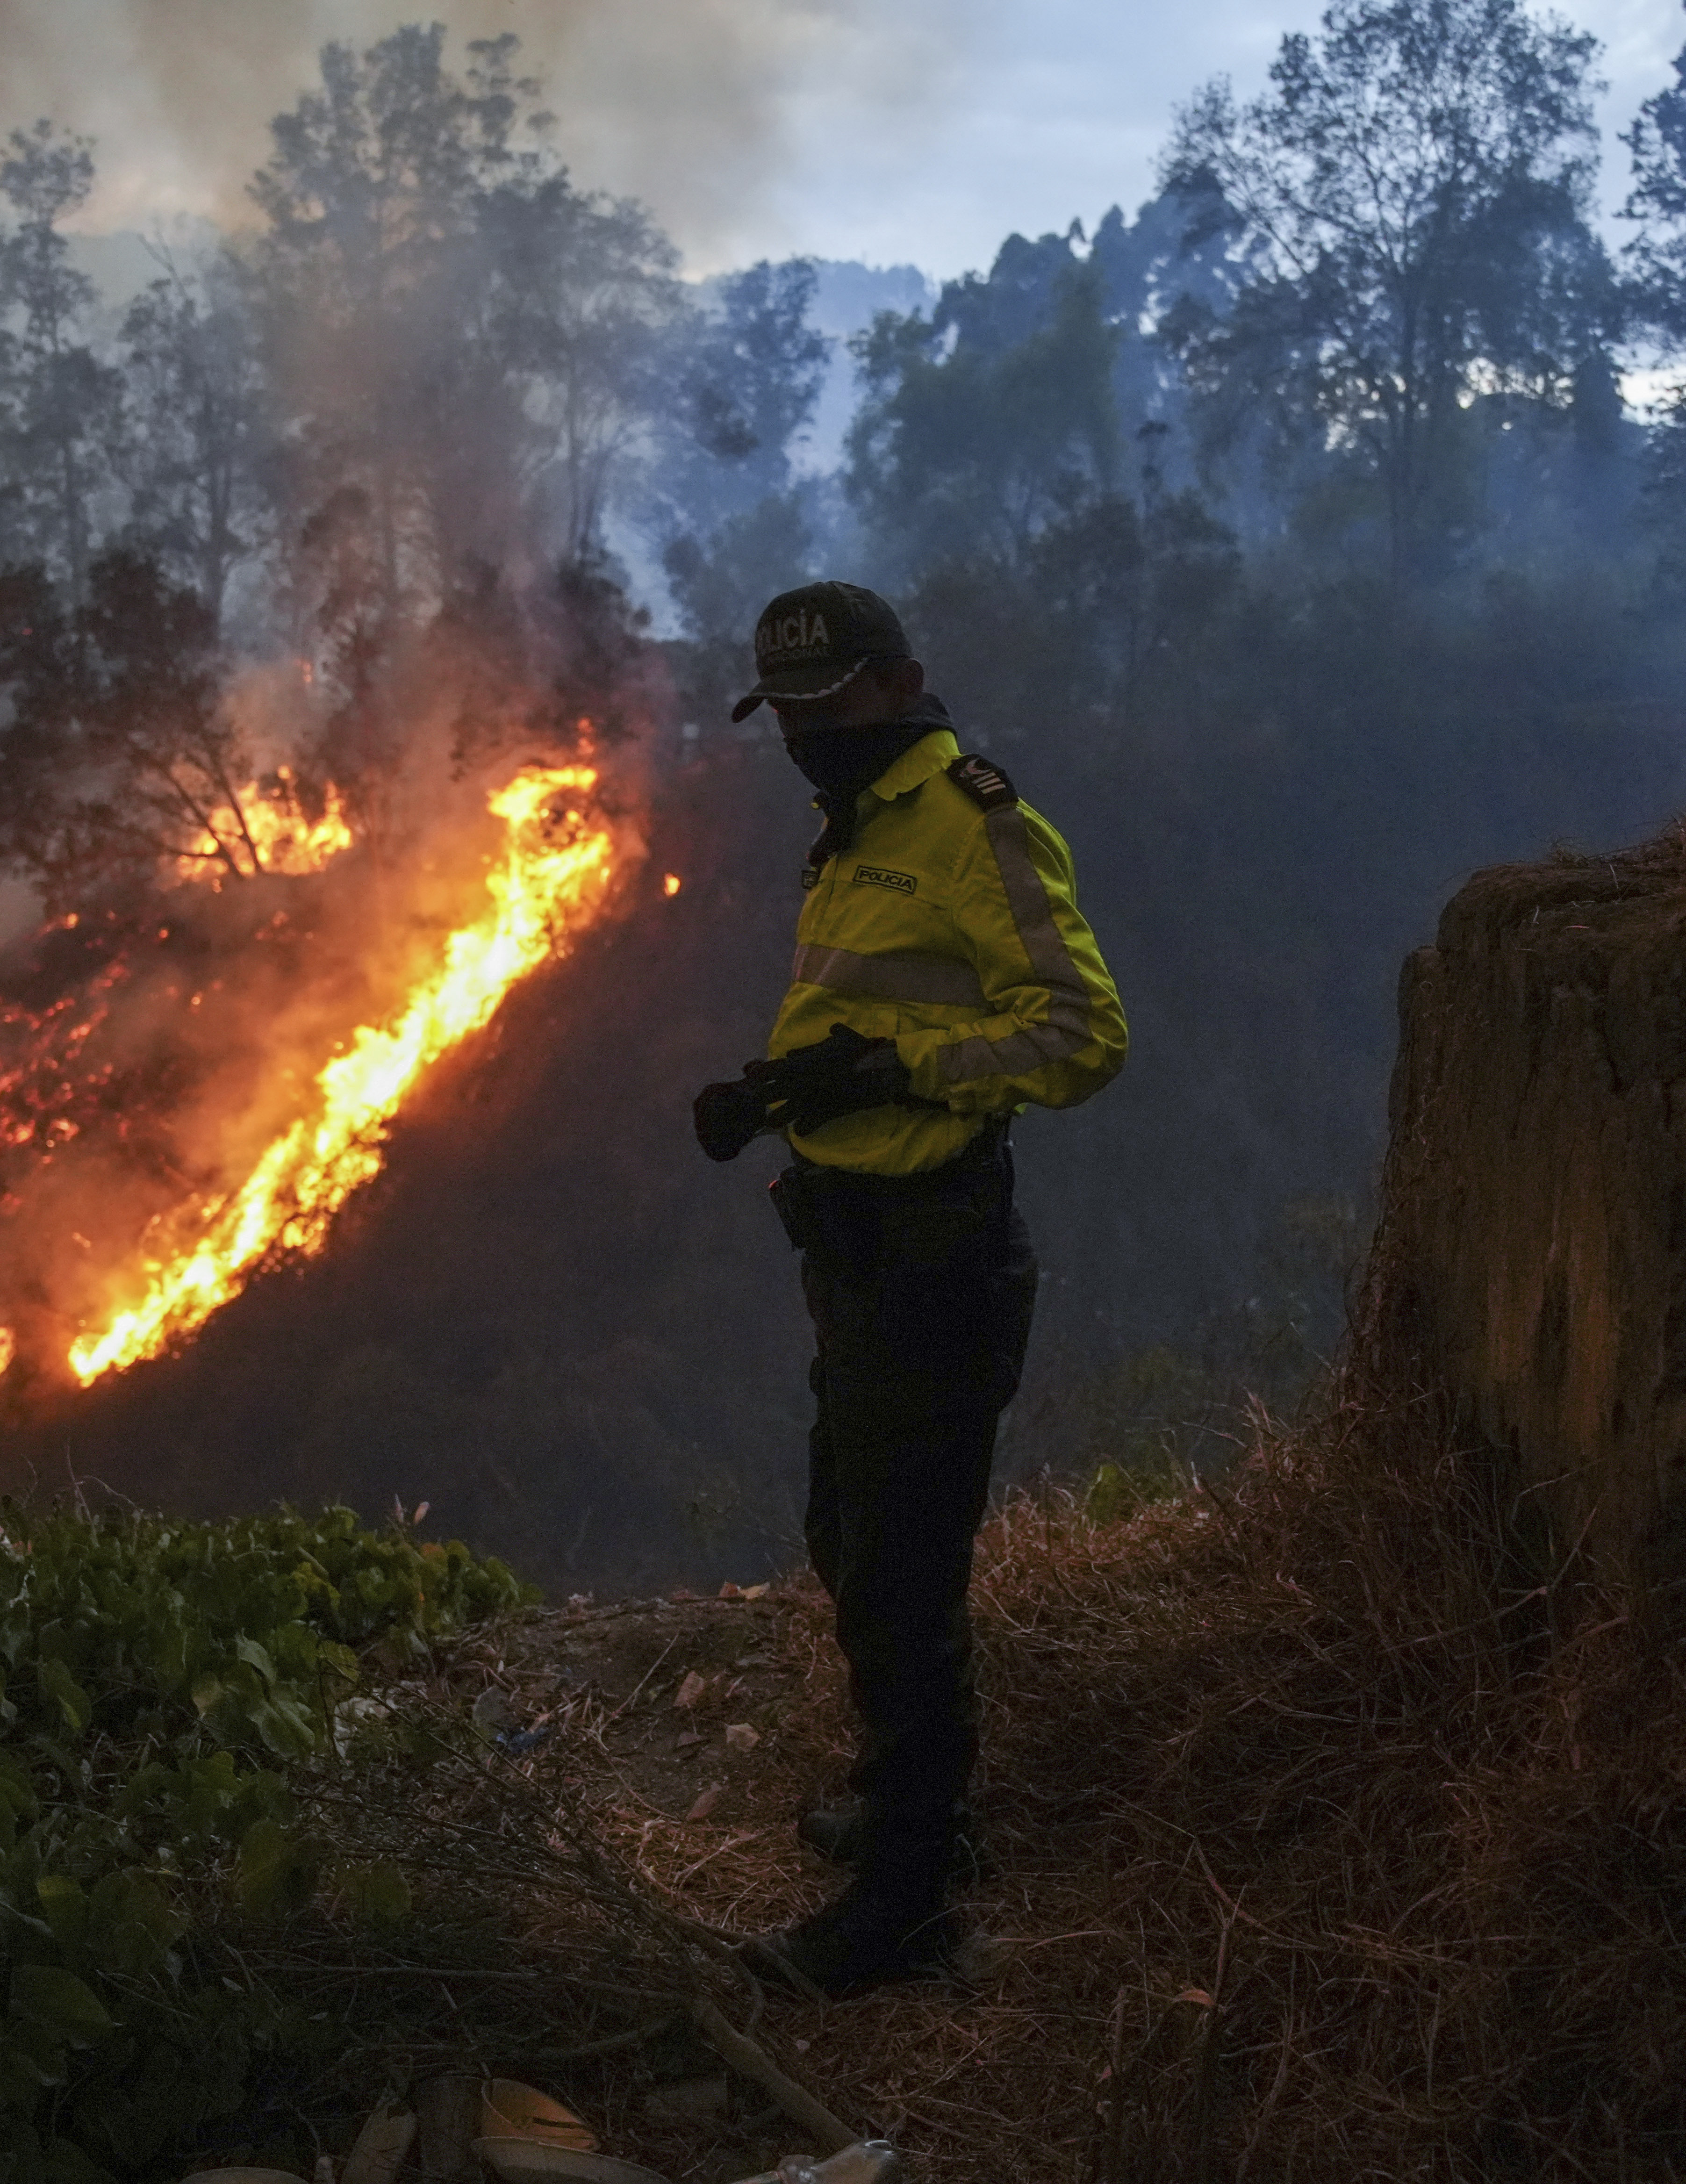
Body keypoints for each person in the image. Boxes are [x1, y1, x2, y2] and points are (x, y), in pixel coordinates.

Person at [691, 580, 1127, 1998]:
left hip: (938, 1248)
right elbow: (881, 1006)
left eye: (831, 704)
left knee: (902, 1571)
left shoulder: (974, 822)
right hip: (854, 1242)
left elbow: (1077, 1035)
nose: (809, 732)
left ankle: (909, 1902)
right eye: (789, 714)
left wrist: (898, 1073)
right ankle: (908, 1808)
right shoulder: (858, 829)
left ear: (900, 682)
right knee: (849, 1529)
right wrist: (779, 1095)